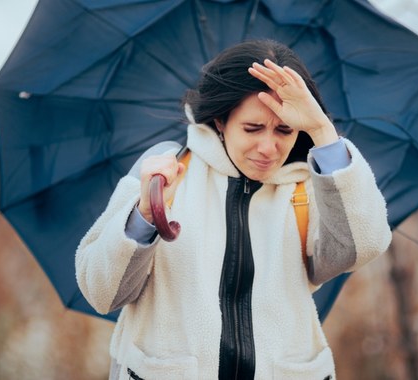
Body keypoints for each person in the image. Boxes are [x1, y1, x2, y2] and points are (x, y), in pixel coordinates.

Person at [76, 39, 391, 380]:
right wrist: (144, 215)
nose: (268, 147)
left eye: (285, 129)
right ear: (221, 120)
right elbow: (102, 292)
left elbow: (364, 245)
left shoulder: (315, 186)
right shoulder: (165, 171)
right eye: (253, 128)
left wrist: (322, 132)